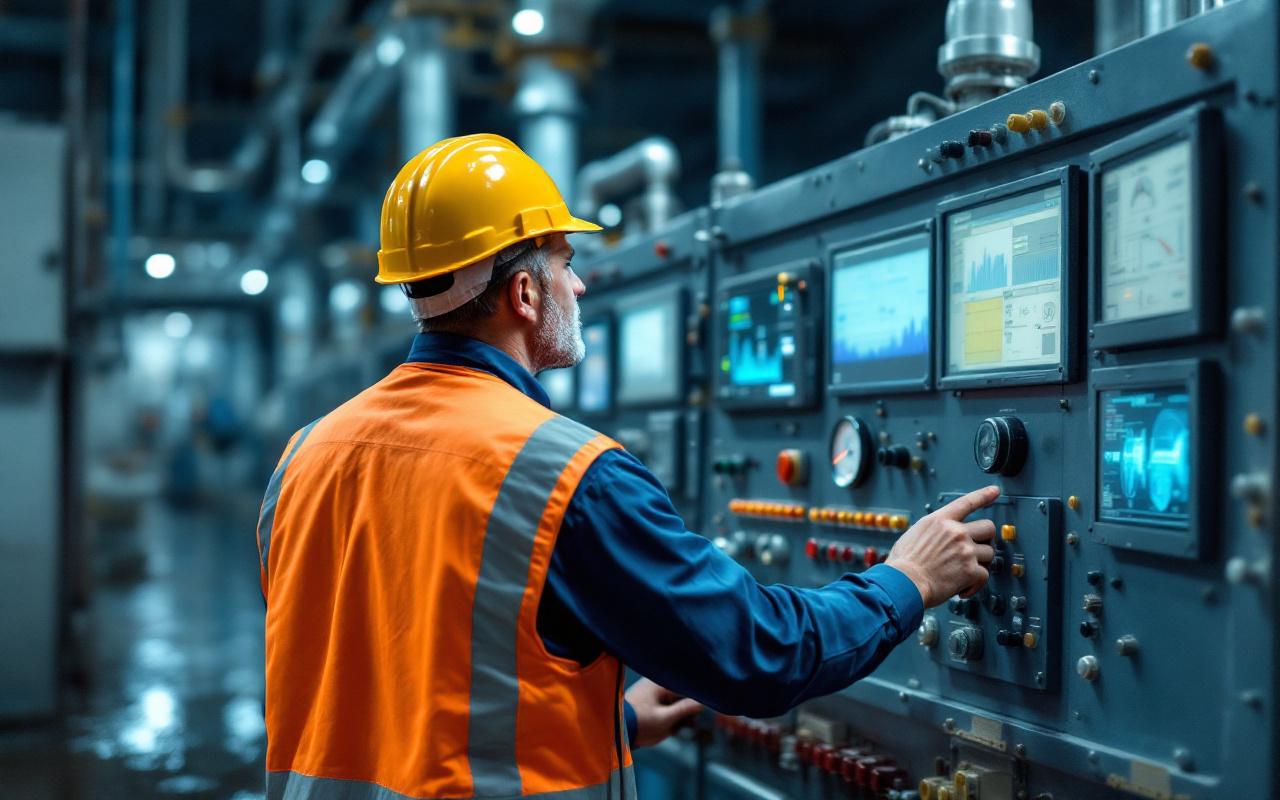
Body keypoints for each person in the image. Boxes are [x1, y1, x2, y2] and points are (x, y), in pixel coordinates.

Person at [256, 134, 998, 800]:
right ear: (522, 292)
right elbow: (761, 655)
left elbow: (404, 674)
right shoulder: (563, 473)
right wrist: (909, 580)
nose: (578, 288)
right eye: (566, 265)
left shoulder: (305, 456)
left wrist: (610, 721)